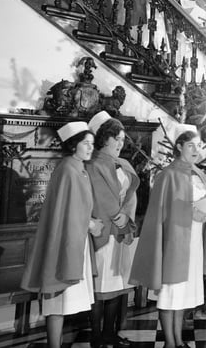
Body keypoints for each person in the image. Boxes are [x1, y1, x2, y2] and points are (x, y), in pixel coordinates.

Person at [130, 124, 206, 348]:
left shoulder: (198, 174)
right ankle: (170, 343)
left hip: (194, 241)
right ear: (179, 146)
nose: (195, 150)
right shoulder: (168, 175)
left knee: (184, 294)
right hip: (174, 242)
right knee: (170, 292)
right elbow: (161, 212)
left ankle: (179, 340)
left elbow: (202, 203)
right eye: (191, 145)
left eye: (198, 146)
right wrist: (191, 212)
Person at [21, 121, 101, 348]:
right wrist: (91, 224)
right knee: (58, 297)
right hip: (63, 241)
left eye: (92, 144)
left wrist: (89, 223)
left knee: (65, 299)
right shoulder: (68, 169)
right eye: (86, 144)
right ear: (73, 145)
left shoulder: (77, 168)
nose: (90, 148)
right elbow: (69, 211)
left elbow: (77, 208)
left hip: (75, 241)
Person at [86, 112, 140, 348]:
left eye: (122, 139)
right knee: (101, 286)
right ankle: (96, 336)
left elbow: (130, 196)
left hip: (120, 229)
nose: (121, 143)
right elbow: (98, 196)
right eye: (117, 138)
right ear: (104, 139)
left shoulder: (123, 165)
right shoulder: (93, 165)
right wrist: (114, 216)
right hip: (104, 231)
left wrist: (126, 215)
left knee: (117, 285)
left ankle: (110, 332)